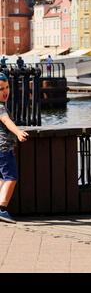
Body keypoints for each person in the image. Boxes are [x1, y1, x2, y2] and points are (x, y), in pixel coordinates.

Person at [0, 73, 29, 223]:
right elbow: (6, 121)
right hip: (3, 149)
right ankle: (2, 208)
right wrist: (18, 132)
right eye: (0, 89)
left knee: (2, 178)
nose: (5, 91)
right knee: (11, 177)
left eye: (7, 87)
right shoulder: (1, 108)